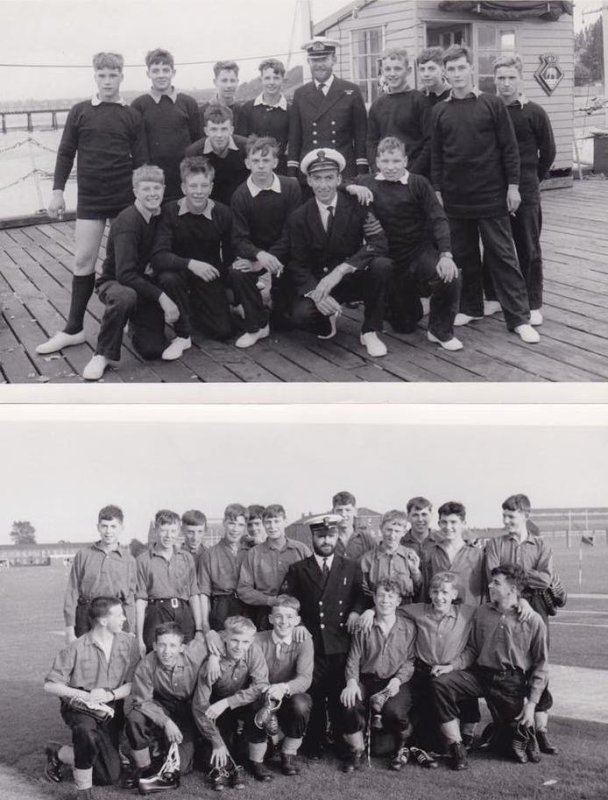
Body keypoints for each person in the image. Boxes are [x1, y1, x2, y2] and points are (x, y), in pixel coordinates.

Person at [37, 52, 147, 357]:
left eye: (113, 75)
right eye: (102, 75)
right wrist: (57, 191)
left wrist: (143, 200)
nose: (108, 81)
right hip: (90, 196)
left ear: (122, 76)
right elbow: (64, 153)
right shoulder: (80, 111)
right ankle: (74, 328)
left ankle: (133, 320)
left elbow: (141, 162)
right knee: (83, 261)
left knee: (127, 263)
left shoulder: (131, 115)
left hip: (125, 197)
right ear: (95, 76)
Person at [431, 45, 540, 344]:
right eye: (450, 69)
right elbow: (437, 157)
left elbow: (510, 149)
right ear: (445, 73)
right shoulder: (439, 110)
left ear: (471, 69)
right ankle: (471, 308)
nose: (456, 74)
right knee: (464, 256)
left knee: (503, 256)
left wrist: (513, 186)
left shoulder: (492, 104)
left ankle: (519, 317)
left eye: (461, 68)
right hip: (455, 199)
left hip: (491, 196)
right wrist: (438, 190)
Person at [346, 136, 462, 348]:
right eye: (386, 162)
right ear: (378, 161)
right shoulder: (367, 181)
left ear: (406, 161)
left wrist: (446, 254)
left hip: (417, 252)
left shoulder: (418, 183)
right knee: (405, 324)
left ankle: (439, 330)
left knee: (449, 275)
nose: (391, 167)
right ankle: (397, 307)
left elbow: (439, 218)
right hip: (387, 257)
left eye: (396, 161)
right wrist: (352, 188)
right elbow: (339, 183)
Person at [429, 564, 548, 768]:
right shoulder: (482, 611)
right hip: (479, 675)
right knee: (441, 683)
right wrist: (451, 667)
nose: (490, 585)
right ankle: (456, 745)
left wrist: (531, 704)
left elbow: (541, 665)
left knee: (513, 750)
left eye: (496, 583)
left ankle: (506, 731)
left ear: (512, 589)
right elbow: (473, 649)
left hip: (510, 682)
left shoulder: (533, 620)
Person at [287, 148, 392, 358]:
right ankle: (327, 320)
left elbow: (378, 242)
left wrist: (343, 269)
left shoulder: (357, 204)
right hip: (322, 282)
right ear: (308, 180)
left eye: (329, 178)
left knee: (382, 265)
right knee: (301, 316)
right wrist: (315, 294)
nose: (323, 185)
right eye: (317, 178)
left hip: (352, 277)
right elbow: (297, 263)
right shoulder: (299, 216)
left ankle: (370, 330)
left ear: (339, 179)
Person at [81, 165, 179, 381]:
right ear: (135, 191)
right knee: (126, 296)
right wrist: (163, 298)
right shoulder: (128, 221)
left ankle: (132, 320)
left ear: (164, 189)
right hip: (115, 282)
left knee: (153, 350)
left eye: (156, 188)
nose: (152, 193)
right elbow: (124, 274)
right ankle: (102, 354)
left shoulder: (160, 215)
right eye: (146, 189)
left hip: (142, 281)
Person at [281, 514, 365, 759]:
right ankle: (314, 740)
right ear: (313, 538)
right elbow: (288, 601)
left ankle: (341, 739)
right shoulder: (298, 569)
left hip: (340, 640)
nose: (326, 540)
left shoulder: (351, 566)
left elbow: (362, 595)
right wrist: (298, 622)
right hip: (312, 642)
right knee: (314, 694)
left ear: (337, 536)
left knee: (339, 693)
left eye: (330, 535)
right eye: (321, 536)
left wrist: (356, 612)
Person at [483, 55, 556, 326]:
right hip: (492, 190)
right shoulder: (488, 109)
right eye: (500, 78)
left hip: (525, 190)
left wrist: (531, 181)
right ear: (494, 80)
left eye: (511, 77)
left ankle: (532, 301)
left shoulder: (534, 112)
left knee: (528, 246)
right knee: (494, 246)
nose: (505, 83)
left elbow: (548, 152)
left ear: (521, 79)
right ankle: (492, 297)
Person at [43, 597, 140, 799]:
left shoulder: (129, 643)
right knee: (86, 732)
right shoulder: (77, 647)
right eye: (119, 614)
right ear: (104, 621)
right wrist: (86, 695)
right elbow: (50, 685)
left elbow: (132, 684)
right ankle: (83, 791)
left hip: (110, 706)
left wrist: (109, 694)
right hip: (79, 705)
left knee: (108, 776)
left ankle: (58, 752)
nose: (124, 618)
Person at [485, 494, 556, 754]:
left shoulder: (540, 545)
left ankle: (541, 730)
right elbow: (492, 577)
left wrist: (516, 584)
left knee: (539, 664)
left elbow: (545, 580)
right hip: (505, 610)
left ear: (526, 515)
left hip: (535, 609)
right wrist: (518, 595)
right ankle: (513, 729)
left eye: (511, 517)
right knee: (509, 667)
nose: (506, 521)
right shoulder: (495, 543)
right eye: (503, 516)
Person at [150, 156, 233, 361]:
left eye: (204, 185)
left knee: (223, 331)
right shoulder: (169, 212)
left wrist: (229, 292)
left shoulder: (222, 213)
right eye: (193, 185)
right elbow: (159, 256)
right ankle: (182, 335)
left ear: (211, 188)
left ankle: (192, 308)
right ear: (183, 187)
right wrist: (190, 264)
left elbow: (230, 254)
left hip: (206, 275)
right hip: (177, 273)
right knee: (169, 278)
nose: (198, 191)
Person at [229, 136, 302, 348]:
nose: (261, 166)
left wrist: (268, 260)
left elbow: (293, 230)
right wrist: (258, 257)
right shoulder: (240, 195)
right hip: (256, 254)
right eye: (255, 161)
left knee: (287, 321)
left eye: (266, 160)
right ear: (247, 163)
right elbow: (239, 238)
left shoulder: (290, 187)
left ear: (275, 162)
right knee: (237, 271)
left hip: (285, 254)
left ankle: (268, 302)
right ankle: (256, 326)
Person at [340, 580, 416, 773]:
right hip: (366, 679)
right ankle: (356, 749)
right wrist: (351, 683)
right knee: (349, 703)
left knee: (394, 713)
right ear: (374, 598)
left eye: (391, 596)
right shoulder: (364, 625)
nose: (385, 600)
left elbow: (410, 660)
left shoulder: (408, 628)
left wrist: (398, 681)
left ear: (399, 601)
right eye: (381, 595)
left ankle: (403, 744)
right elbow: (353, 658)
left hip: (394, 681)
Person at [125, 622, 208, 788]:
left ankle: (163, 745)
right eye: (162, 645)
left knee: (182, 768)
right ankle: (144, 768)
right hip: (160, 704)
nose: (166, 651)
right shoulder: (147, 664)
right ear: (155, 645)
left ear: (182, 647)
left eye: (172, 645)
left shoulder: (195, 653)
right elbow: (143, 701)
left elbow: (220, 637)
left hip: (188, 708)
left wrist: (213, 657)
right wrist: (166, 722)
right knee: (135, 717)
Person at [192, 615, 268, 791]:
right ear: (224, 637)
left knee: (260, 706)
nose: (239, 647)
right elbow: (199, 705)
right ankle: (222, 768)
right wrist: (216, 741)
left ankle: (253, 759)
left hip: (238, 703)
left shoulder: (254, 651)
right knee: (217, 746)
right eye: (234, 640)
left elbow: (261, 685)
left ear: (251, 641)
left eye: (245, 642)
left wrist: (228, 702)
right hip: (214, 707)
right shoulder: (211, 659)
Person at [247, 595, 313, 780]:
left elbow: (305, 678)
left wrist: (283, 688)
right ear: (270, 619)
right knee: (256, 705)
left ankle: (288, 755)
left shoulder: (304, 640)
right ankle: (257, 761)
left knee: (302, 704)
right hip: (262, 692)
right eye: (278, 616)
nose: (284, 622)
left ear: (297, 620)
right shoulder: (257, 639)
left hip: (289, 694)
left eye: (290, 617)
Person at [287, 37, 368, 180]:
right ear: (308, 62)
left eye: (324, 59)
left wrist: (361, 172)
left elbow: (361, 136)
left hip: (343, 170)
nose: (319, 65)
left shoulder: (351, 91)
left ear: (334, 60)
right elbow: (295, 138)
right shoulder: (300, 94)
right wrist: (292, 174)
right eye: (315, 60)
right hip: (310, 169)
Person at [131, 48, 201, 202]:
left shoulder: (188, 103)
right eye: (155, 71)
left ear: (173, 72)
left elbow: (198, 141)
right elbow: (138, 147)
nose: (161, 75)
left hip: (184, 176)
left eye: (165, 70)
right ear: (148, 73)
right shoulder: (139, 105)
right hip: (154, 180)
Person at [63, 505, 136, 643]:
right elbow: (72, 592)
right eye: (104, 526)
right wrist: (69, 629)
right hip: (86, 615)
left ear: (121, 528)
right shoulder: (83, 555)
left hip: (115, 615)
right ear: (98, 527)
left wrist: (131, 629)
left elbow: (130, 598)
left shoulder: (128, 560)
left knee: (116, 661)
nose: (108, 531)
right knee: (86, 661)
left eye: (113, 526)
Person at [135, 509, 203, 654]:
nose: (168, 536)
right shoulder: (143, 560)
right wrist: (139, 638)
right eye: (164, 531)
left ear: (179, 531)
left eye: (173, 531)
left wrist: (199, 629)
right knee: (157, 656)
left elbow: (193, 594)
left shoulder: (186, 557)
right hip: (157, 612)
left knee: (187, 656)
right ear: (156, 530)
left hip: (183, 612)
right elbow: (140, 601)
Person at [237, 504, 311, 630]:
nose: (272, 526)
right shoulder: (254, 553)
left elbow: (313, 582)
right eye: (268, 522)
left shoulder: (301, 550)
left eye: (277, 521)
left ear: (285, 521)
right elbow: (244, 589)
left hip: (298, 614)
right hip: (267, 615)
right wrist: (270, 600)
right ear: (264, 524)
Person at [367, 48, 431, 176]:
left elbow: (429, 142)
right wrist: (378, 169)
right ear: (382, 72)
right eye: (387, 69)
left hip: (414, 175)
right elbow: (371, 142)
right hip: (385, 175)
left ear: (408, 71)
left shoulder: (419, 101)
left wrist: (412, 173)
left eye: (397, 69)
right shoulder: (377, 104)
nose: (392, 74)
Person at [198, 503, 251, 639]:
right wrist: (205, 626)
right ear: (224, 523)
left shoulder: (250, 553)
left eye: (240, 525)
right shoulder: (209, 555)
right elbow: (204, 593)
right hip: (221, 609)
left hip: (248, 608)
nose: (235, 529)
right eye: (232, 523)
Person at [423, 501, 485, 606]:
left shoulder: (478, 555)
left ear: (463, 523)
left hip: (469, 615)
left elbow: (484, 590)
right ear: (439, 524)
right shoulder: (431, 553)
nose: (448, 526)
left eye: (453, 522)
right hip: (439, 615)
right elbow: (425, 589)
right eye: (444, 522)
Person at [185, 105, 249, 205]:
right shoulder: (194, 153)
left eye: (224, 129)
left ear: (231, 130)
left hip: (241, 203)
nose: (219, 135)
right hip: (209, 205)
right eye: (214, 129)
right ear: (206, 131)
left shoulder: (246, 148)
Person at [360, 510, 422, 604]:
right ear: (381, 529)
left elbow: (418, 588)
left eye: (397, 531)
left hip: (405, 608)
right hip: (377, 608)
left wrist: (415, 572)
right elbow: (363, 591)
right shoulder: (368, 559)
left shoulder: (410, 555)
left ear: (404, 532)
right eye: (389, 530)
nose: (392, 535)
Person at [240, 59, 291, 174]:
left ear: (283, 80)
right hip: (254, 171)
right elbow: (243, 143)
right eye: (267, 78)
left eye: (276, 78)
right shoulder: (248, 109)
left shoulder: (291, 111)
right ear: (261, 80)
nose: (271, 82)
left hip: (281, 171)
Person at [199, 60, 245, 135]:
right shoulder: (202, 112)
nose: (229, 85)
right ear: (215, 82)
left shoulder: (243, 112)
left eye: (232, 81)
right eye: (224, 81)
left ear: (237, 82)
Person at [331, 490, 377, 560]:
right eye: (339, 510)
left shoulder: (367, 539)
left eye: (348, 510)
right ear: (333, 512)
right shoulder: (327, 539)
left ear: (355, 512)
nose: (343, 514)